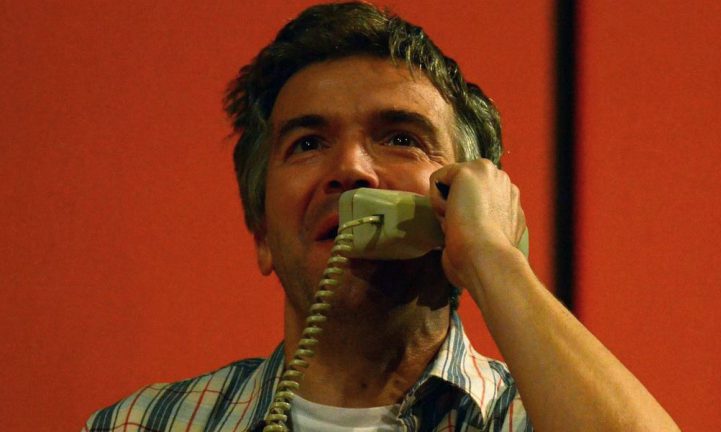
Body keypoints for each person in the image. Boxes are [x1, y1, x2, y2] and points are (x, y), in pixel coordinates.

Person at [84, 2, 679, 431]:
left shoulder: (538, 417)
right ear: (262, 233)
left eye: (400, 138)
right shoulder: (143, 424)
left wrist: (492, 258)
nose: (350, 168)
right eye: (308, 144)